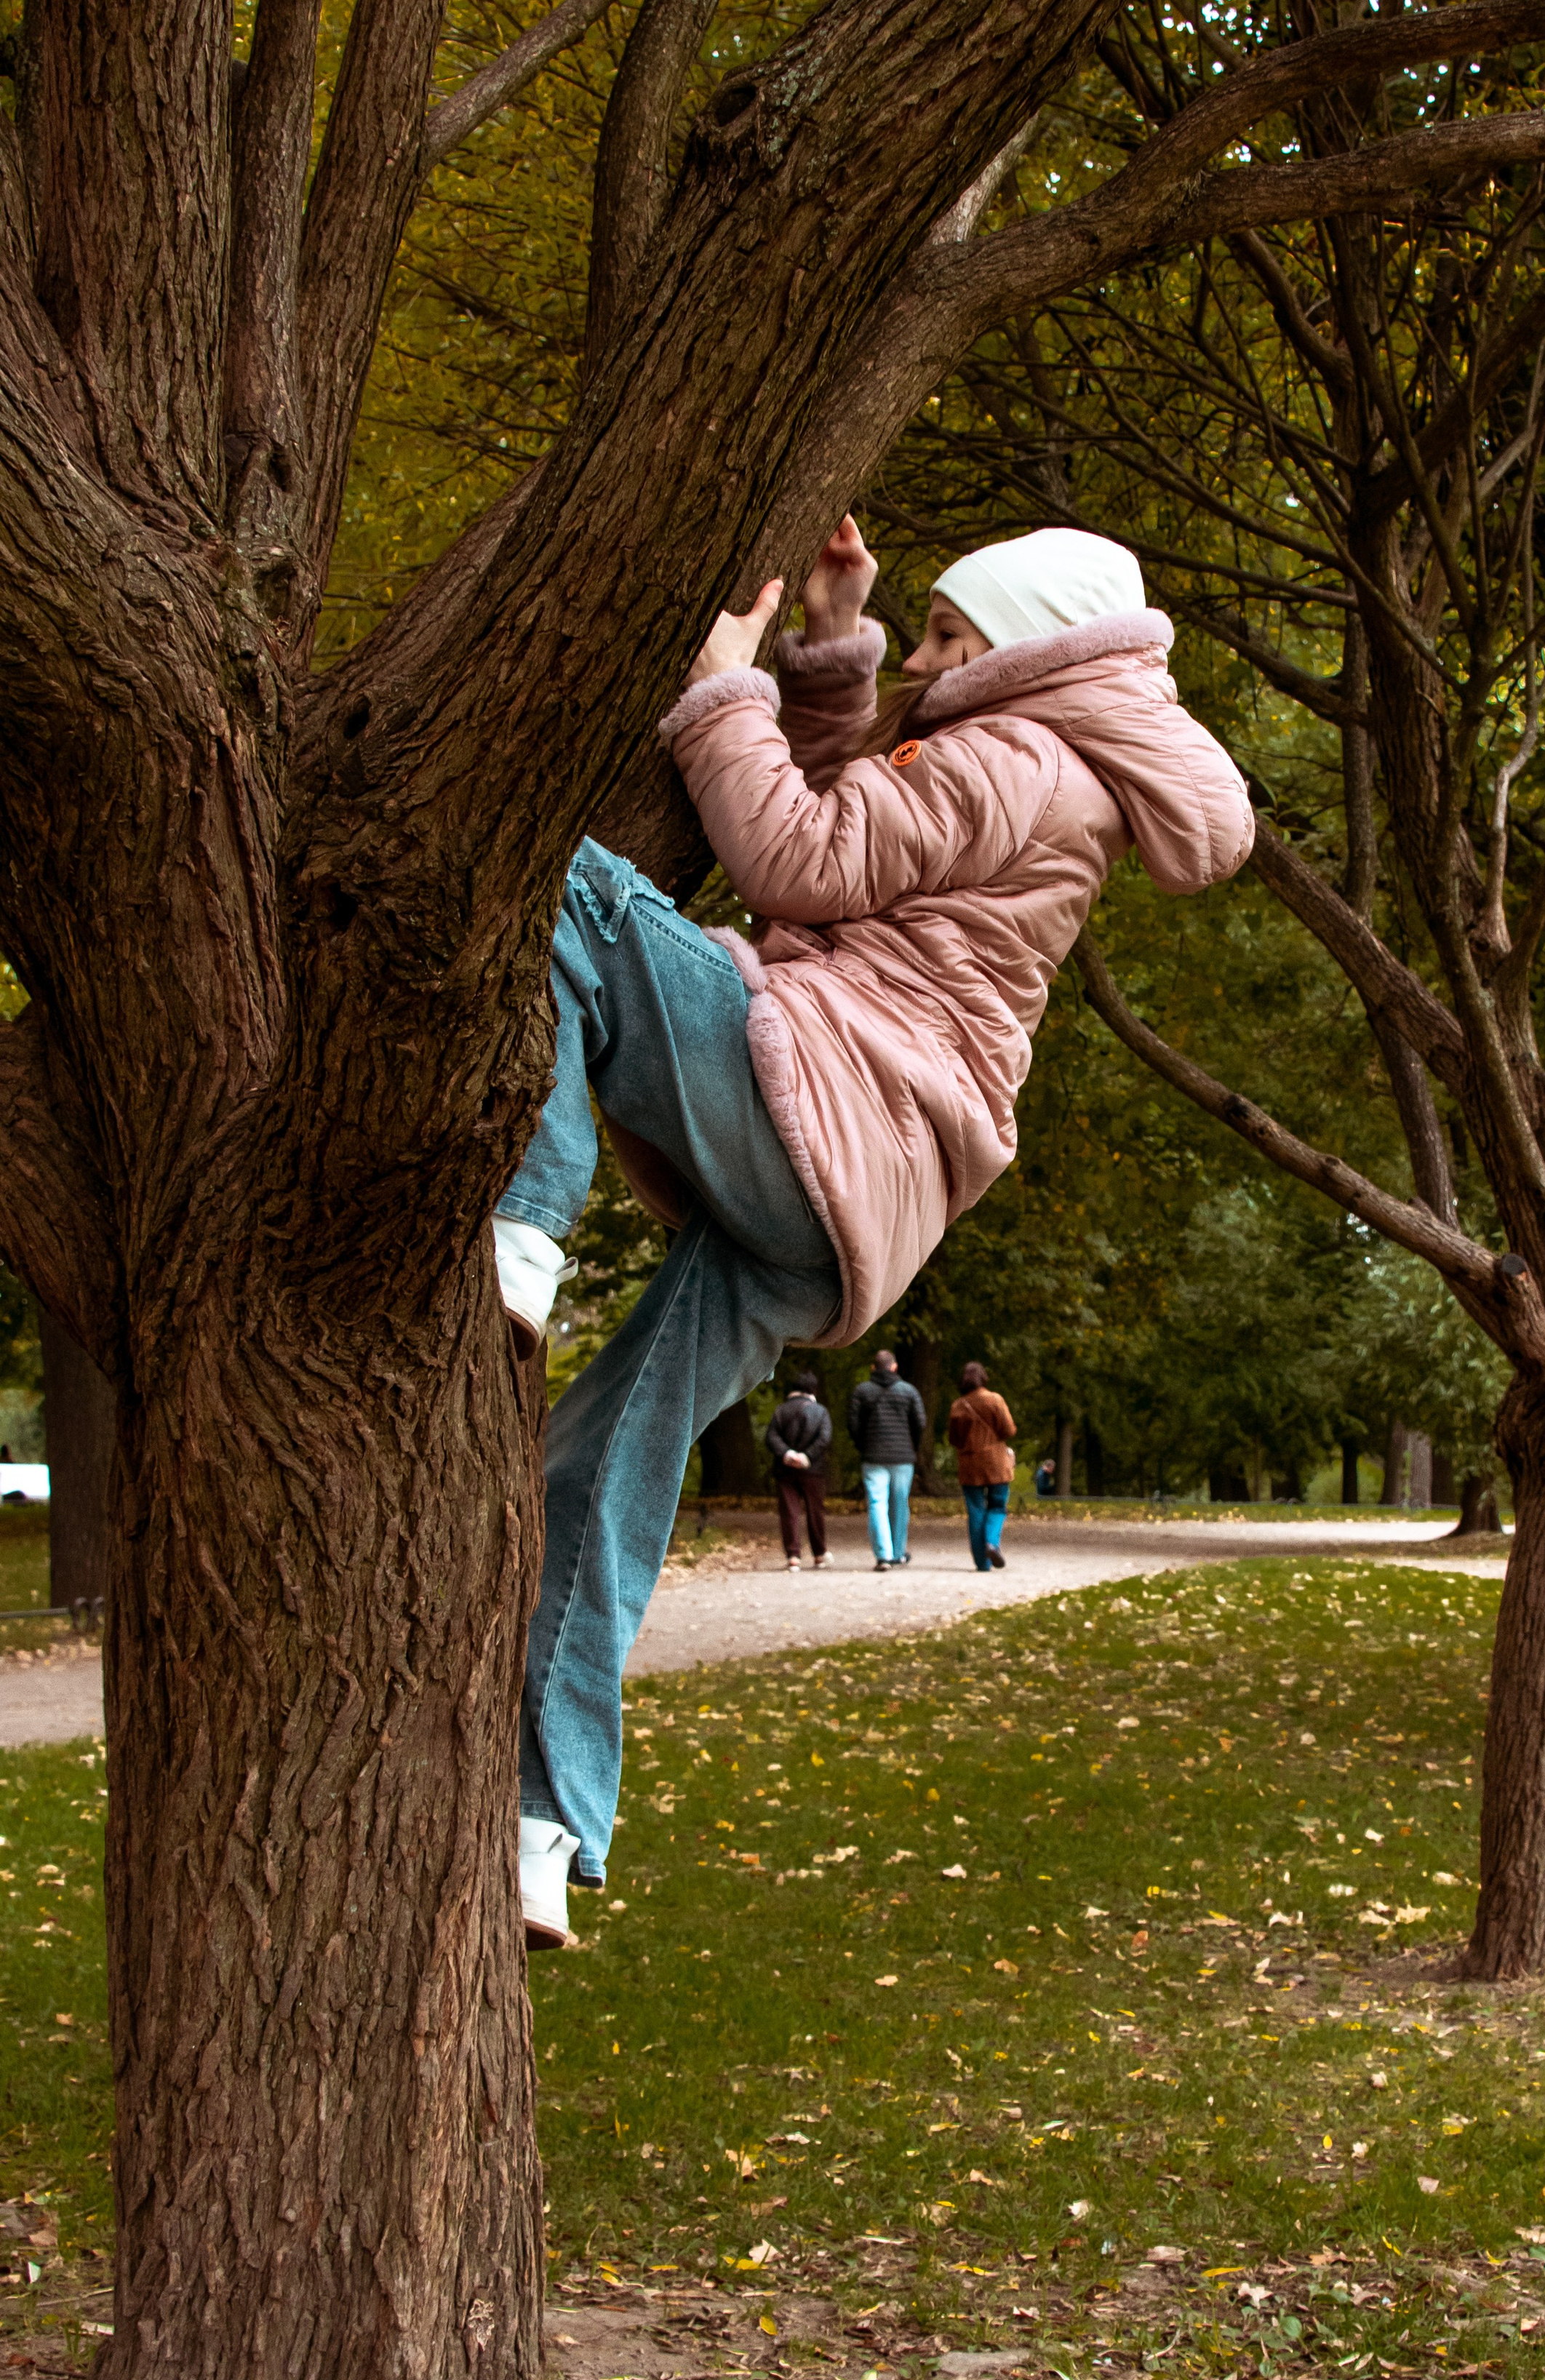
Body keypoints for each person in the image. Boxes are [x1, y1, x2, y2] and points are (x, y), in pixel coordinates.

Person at [492, 514, 1253, 1943]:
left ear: (1017, 650)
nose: (924, 650)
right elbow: (868, 834)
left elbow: (793, 860)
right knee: (601, 1471)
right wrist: (831, 659)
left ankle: (524, 1228)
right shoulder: (1034, 772)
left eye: (947, 636)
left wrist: (727, 687)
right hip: (839, 1215)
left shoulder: (1010, 760)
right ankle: (545, 1826)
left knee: (560, 886)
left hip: (816, 1107)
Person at [849, 1349, 927, 1570]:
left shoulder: (862, 1392)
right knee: (900, 1504)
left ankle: (884, 1555)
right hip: (903, 1457)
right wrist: (913, 1446)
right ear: (894, 1367)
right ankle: (899, 1552)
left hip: (873, 1456)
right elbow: (920, 1423)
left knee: (877, 1504)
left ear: (873, 1368)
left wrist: (862, 1446)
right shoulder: (909, 1391)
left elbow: (853, 1424)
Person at [949, 1360, 1017, 1569]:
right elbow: (1008, 1430)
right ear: (983, 1378)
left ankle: (982, 1563)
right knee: (997, 1506)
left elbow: (954, 1439)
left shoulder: (958, 1405)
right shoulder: (994, 1400)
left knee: (976, 1510)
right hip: (996, 1464)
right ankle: (992, 1544)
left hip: (970, 1466)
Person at [765, 1370, 834, 1571]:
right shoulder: (821, 1411)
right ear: (813, 1389)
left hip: (785, 1470)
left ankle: (793, 1556)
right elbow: (825, 1438)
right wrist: (807, 1457)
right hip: (813, 1470)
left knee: (789, 1512)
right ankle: (819, 1555)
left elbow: (771, 1437)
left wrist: (787, 1454)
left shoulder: (780, 1411)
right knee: (815, 1512)